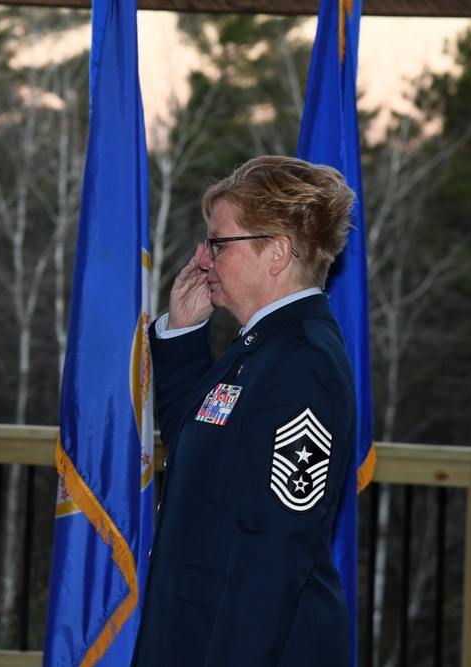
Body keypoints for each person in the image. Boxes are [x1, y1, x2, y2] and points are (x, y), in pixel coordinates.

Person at [130, 155, 357, 666]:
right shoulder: (261, 347)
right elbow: (197, 443)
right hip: (194, 634)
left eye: (217, 243)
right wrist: (185, 334)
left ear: (276, 252)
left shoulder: (303, 361)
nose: (203, 258)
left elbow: (273, 554)